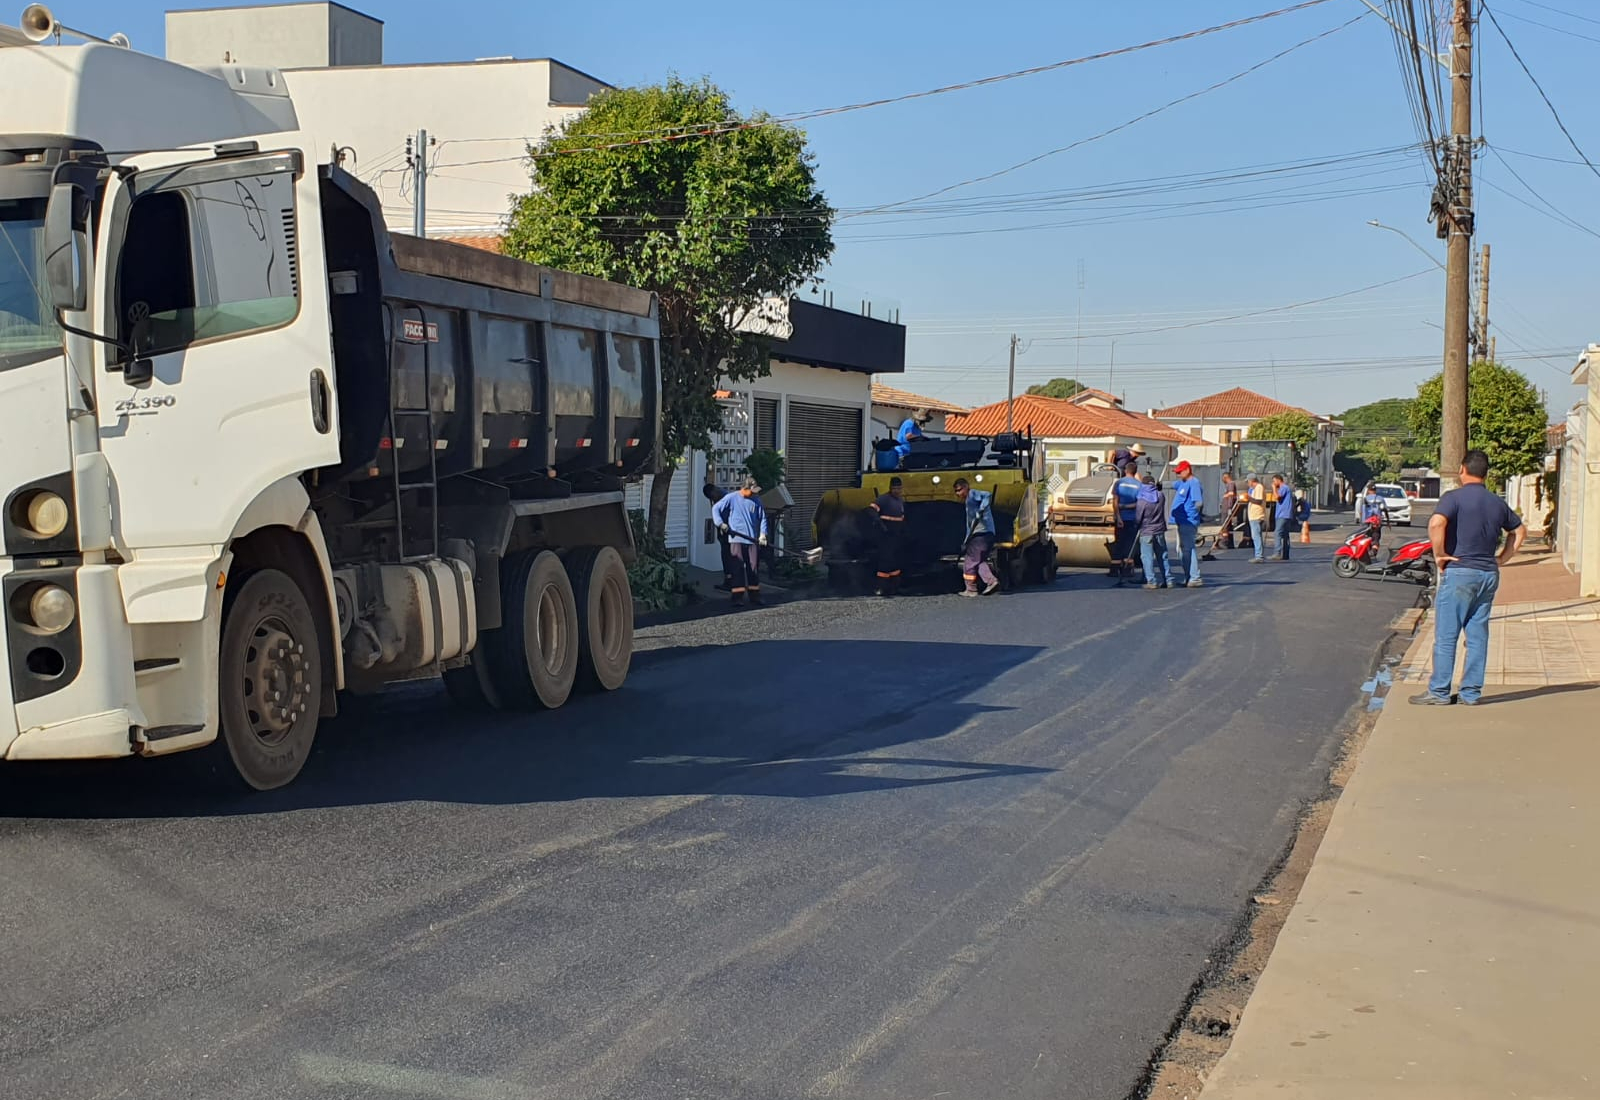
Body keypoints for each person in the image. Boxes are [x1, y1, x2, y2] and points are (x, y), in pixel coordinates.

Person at [1411, 449, 1526, 706]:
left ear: (1462, 470)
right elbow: (1519, 531)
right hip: (1488, 574)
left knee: (1447, 636)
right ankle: (1470, 693)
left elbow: (1436, 523)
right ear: (1486, 474)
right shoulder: (1497, 502)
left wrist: (1439, 554)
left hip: (1460, 572)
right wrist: (1503, 558)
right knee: (1477, 636)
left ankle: (1439, 691)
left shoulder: (1453, 498)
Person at [712, 476, 769, 606]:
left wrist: (762, 535)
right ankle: (737, 597)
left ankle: (755, 596)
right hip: (736, 539)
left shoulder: (756, 500)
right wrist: (720, 523)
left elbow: (763, 518)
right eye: (752, 491)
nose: (754, 494)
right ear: (745, 488)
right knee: (737, 568)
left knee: (753, 568)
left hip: (752, 540)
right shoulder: (732, 498)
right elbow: (716, 509)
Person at [953, 477, 1000, 597]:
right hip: (987, 535)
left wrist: (981, 508)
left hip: (981, 534)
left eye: (960, 490)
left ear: (966, 487)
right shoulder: (968, 503)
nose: (958, 493)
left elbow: (987, 495)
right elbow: (969, 526)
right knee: (978, 561)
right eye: (956, 491)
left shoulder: (972, 494)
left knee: (970, 562)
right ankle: (991, 581)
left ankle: (971, 589)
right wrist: (965, 541)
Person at [868, 476, 907, 596]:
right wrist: (879, 523)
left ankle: (894, 587)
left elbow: (902, 517)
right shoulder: (883, 499)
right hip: (885, 535)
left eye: (899, 488)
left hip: (896, 535)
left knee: (895, 562)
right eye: (894, 488)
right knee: (885, 561)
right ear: (890, 488)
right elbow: (871, 510)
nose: (897, 491)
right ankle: (881, 587)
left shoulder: (900, 501)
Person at [1134, 473, 1171, 590]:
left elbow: (1138, 518)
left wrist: (1136, 526)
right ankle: (1168, 579)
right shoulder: (1161, 496)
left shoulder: (1142, 501)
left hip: (1146, 531)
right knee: (1163, 556)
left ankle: (1151, 581)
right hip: (1159, 530)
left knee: (1147, 557)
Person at [1169, 460, 1203, 587]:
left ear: (1187, 470)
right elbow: (1171, 484)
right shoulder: (1182, 482)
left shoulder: (1194, 483)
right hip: (1180, 520)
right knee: (1182, 550)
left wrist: (1192, 516)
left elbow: (1198, 502)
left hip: (1188, 521)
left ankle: (1195, 577)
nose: (1178, 474)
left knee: (1188, 548)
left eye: (1180, 472)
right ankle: (1189, 576)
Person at [1111, 461, 1143, 582]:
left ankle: (1114, 570)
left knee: (1119, 542)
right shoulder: (1139, 485)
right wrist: (1127, 506)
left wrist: (1118, 516)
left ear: (1125, 470)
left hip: (1120, 518)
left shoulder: (1119, 483)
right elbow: (1139, 503)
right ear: (1135, 472)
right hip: (1132, 519)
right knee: (1130, 543)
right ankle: (1127, 569)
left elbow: (1115, 501)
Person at [703, 479, 734, 591]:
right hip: (725, 533)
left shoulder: (727, 499)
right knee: (726, 557)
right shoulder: (718, 498)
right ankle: (729, 580)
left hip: (731, 532)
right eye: (711, 498)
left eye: (712, 496)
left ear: (715, 490)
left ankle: (732, 581)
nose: (713, 499)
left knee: (729, 557)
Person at [1244, 474, 1268, 562]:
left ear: (1251, 480)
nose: (1247, 483)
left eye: (1248, 481)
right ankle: (1259, 554)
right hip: (1254, 516)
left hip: (1257, 515)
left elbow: (1258, 501)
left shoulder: (1259, 487)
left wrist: (1248, 498)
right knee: (1257, 535)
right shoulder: (1255, 489)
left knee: (1256, 536)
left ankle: (1259, 556)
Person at [1270, 473, 1294, 561]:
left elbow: (1277, 497)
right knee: (1285, 534)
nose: (1273, 483)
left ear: (1278, 480)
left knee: (1277, 533)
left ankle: (1277, 553)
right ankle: (1286, 554)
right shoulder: (1285, 488)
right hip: (1286, 514)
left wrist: (1274, 488)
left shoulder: (1284, 488)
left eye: (1274, 481)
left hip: (1282, 514)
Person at [1218, 472, 1238, 549]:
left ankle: (1224, 542)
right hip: (1226, 508)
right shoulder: (1230, 484)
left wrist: (1229, 507)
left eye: (1223, 478)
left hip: (1226, 509)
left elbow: (1231, 495)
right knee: (1228, 526)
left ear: (1225, 477)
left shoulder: (1230, 484)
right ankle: (1230, 543)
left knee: (1225, 526)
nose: (1222, 480)